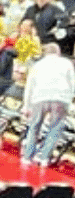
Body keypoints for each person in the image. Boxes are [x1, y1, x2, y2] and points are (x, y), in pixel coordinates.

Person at [21, 40, 74, 168]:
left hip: (40, 97)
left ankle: (28, 157)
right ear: (59, 52)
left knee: (34, 127)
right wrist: (70, 99)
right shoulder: (67, 63)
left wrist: (26, 106)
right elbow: (73, 83)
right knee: (55, 128)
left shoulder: (38, 65)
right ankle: (44, 158)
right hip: (61, 98)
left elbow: (29, 87)